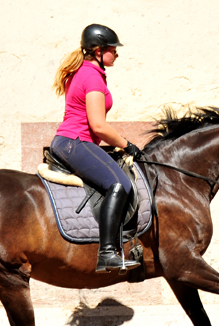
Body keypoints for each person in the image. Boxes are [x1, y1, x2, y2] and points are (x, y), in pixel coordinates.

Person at [50, 24, 142, 274]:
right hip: (76, 142)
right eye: (113, 49)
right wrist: (127, 145)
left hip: (70, 141)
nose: (117, 54)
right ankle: (108, 254)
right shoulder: (91, 76)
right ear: (99, 51)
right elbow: (98, 125)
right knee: (119, 184)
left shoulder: (84, 72)